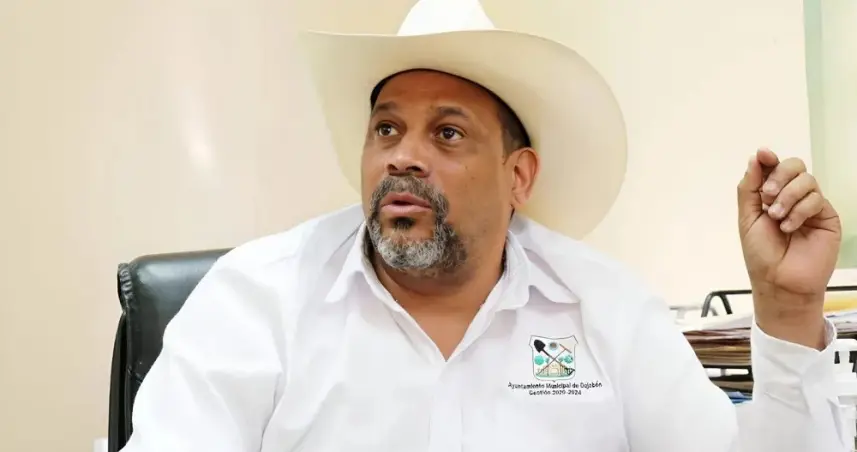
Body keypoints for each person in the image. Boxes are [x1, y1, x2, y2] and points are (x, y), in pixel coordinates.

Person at [121, 0, 845, 451]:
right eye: (386, 129)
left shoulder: (605, 306)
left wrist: (787, 311)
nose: (402, 157)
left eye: (447, 133)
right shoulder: (256, 299)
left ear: (518, 177)